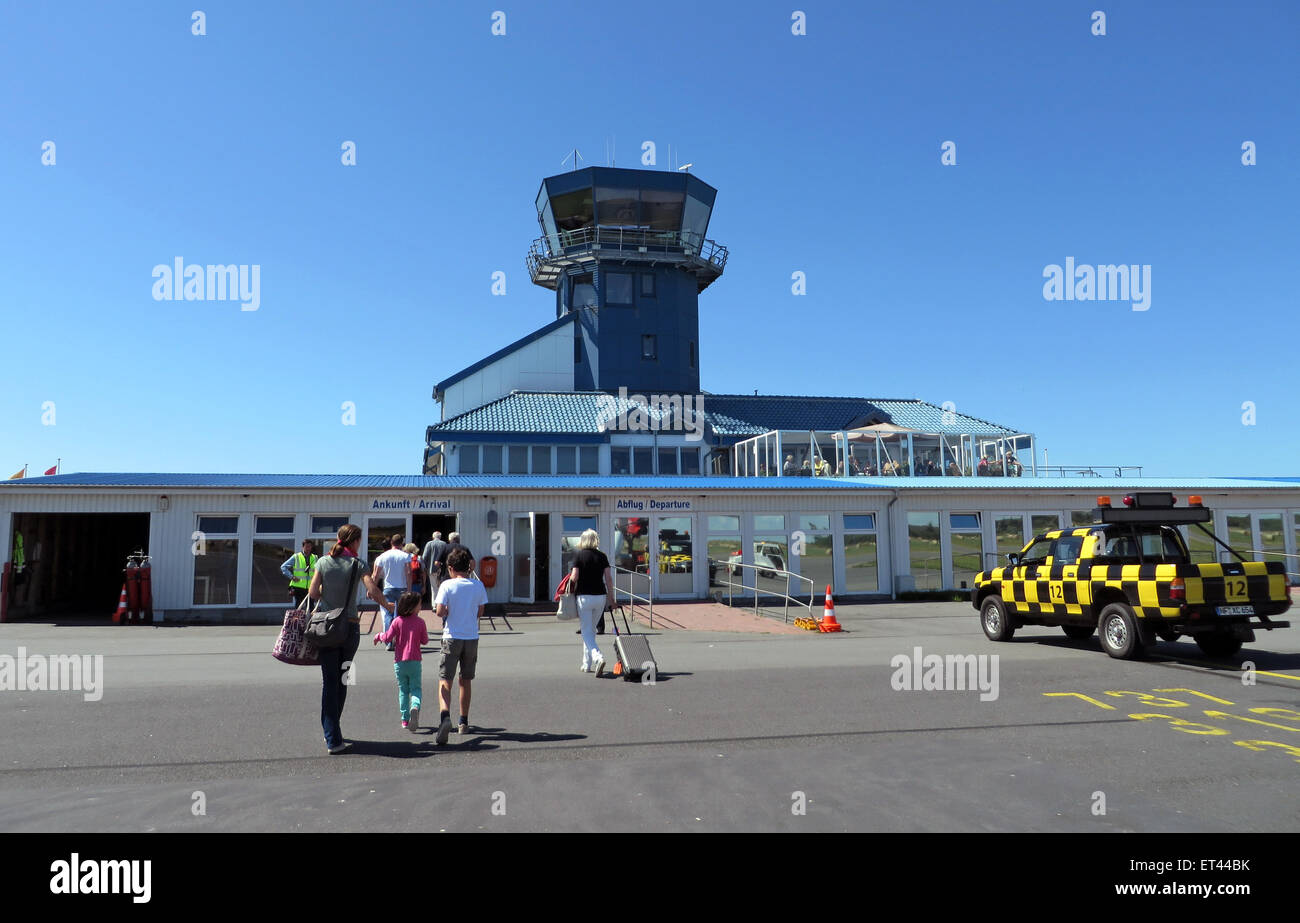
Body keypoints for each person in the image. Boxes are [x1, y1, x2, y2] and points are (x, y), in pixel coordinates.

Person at [307, 523, 390, 755]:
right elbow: (372, 591)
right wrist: (388, 606)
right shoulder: (358, 563)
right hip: (350, 629)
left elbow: (313, 593)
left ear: (338, 538)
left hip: (326, 629)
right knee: (344, 678)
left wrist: (327, 598)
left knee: (329, 681)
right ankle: (334, 730)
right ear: (355, 541)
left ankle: (332, 734)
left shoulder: (322, 562)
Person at [433, 547, 488, 743]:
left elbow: (439, 611)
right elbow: (480, 612)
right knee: (465, 680)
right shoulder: (478, 586)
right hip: (471, 637)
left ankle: (445, 716)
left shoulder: (447, 585)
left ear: (450, 568)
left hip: (451, 636)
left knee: (444, 679)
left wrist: (450, 610)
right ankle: (463, 721)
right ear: (468, 566)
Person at [373, 591, 429, 732]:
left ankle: (405, 719)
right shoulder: (420, 622)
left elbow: (387, 638)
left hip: (400, 662)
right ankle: (415, 707)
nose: (421, 606)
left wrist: (379, 636)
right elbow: (425, 641)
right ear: (413, 607)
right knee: (416, 688)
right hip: (415, 661)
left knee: (403, 690)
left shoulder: (397, 621)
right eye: (419, 604)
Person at [569, 528, 615, 675]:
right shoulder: (602, 556)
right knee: (590, 631)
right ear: (595, 540)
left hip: (584, 597)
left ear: (583, 540)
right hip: (600, 597)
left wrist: (569, 590)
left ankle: (598, 657)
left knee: (586, 631)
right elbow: (608, 578)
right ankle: (586, 664)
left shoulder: (579, 556)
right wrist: (611, 599)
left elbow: (574, 577)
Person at [372, 534, 411, 647]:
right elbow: (408, 573)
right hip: (402, 588)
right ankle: (400, 641)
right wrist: (409, 589)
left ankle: (389, 642)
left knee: (388, 615)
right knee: (401, 616)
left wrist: (371, 589)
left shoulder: (382, 556)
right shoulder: (405, 556)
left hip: (388, 588)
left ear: (391, 543)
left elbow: (376, 575)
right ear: (402, 543)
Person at [280, 539, 319, 609]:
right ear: (303, 547)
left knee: (311, 607)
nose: (308, 548)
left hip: (311, 586)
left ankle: (309, 620)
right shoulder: (296, 557)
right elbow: (283, 567)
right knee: (299, 607)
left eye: (310, 546)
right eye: (306, 546)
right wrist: (292, 577)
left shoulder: (315, 557)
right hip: (299, 587)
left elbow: (318, 571)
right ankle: (297, 620)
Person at [420, 531, 447, 603]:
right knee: (441, 587)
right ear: (440, 537)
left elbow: (424, 557)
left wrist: (424, 567)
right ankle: (441, 603)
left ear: (433, 537)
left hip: (431, 569)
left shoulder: (429, 544)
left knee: (434, 587)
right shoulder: (444, 544)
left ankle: (435, 605)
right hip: (442, 569)